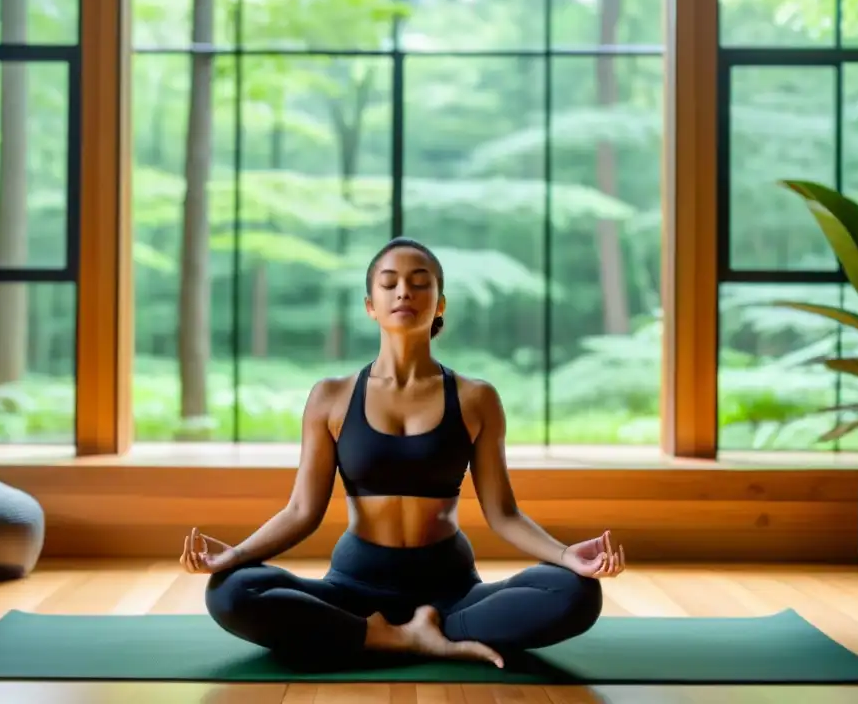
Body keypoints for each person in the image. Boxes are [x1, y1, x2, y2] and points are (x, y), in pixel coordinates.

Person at [180, 237, 626, 670]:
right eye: (389, 282)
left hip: (449, 590)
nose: (403, 292)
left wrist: (567, 556)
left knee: (577, 593)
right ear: (370, 305)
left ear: (440, 302)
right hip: (355, 587)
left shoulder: (476, 398)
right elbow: (301, 510)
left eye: (420, 282)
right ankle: (401, 637)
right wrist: (236, 555)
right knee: (231, 592)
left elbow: (503, 514)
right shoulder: (331, 397)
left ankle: (392, 633)